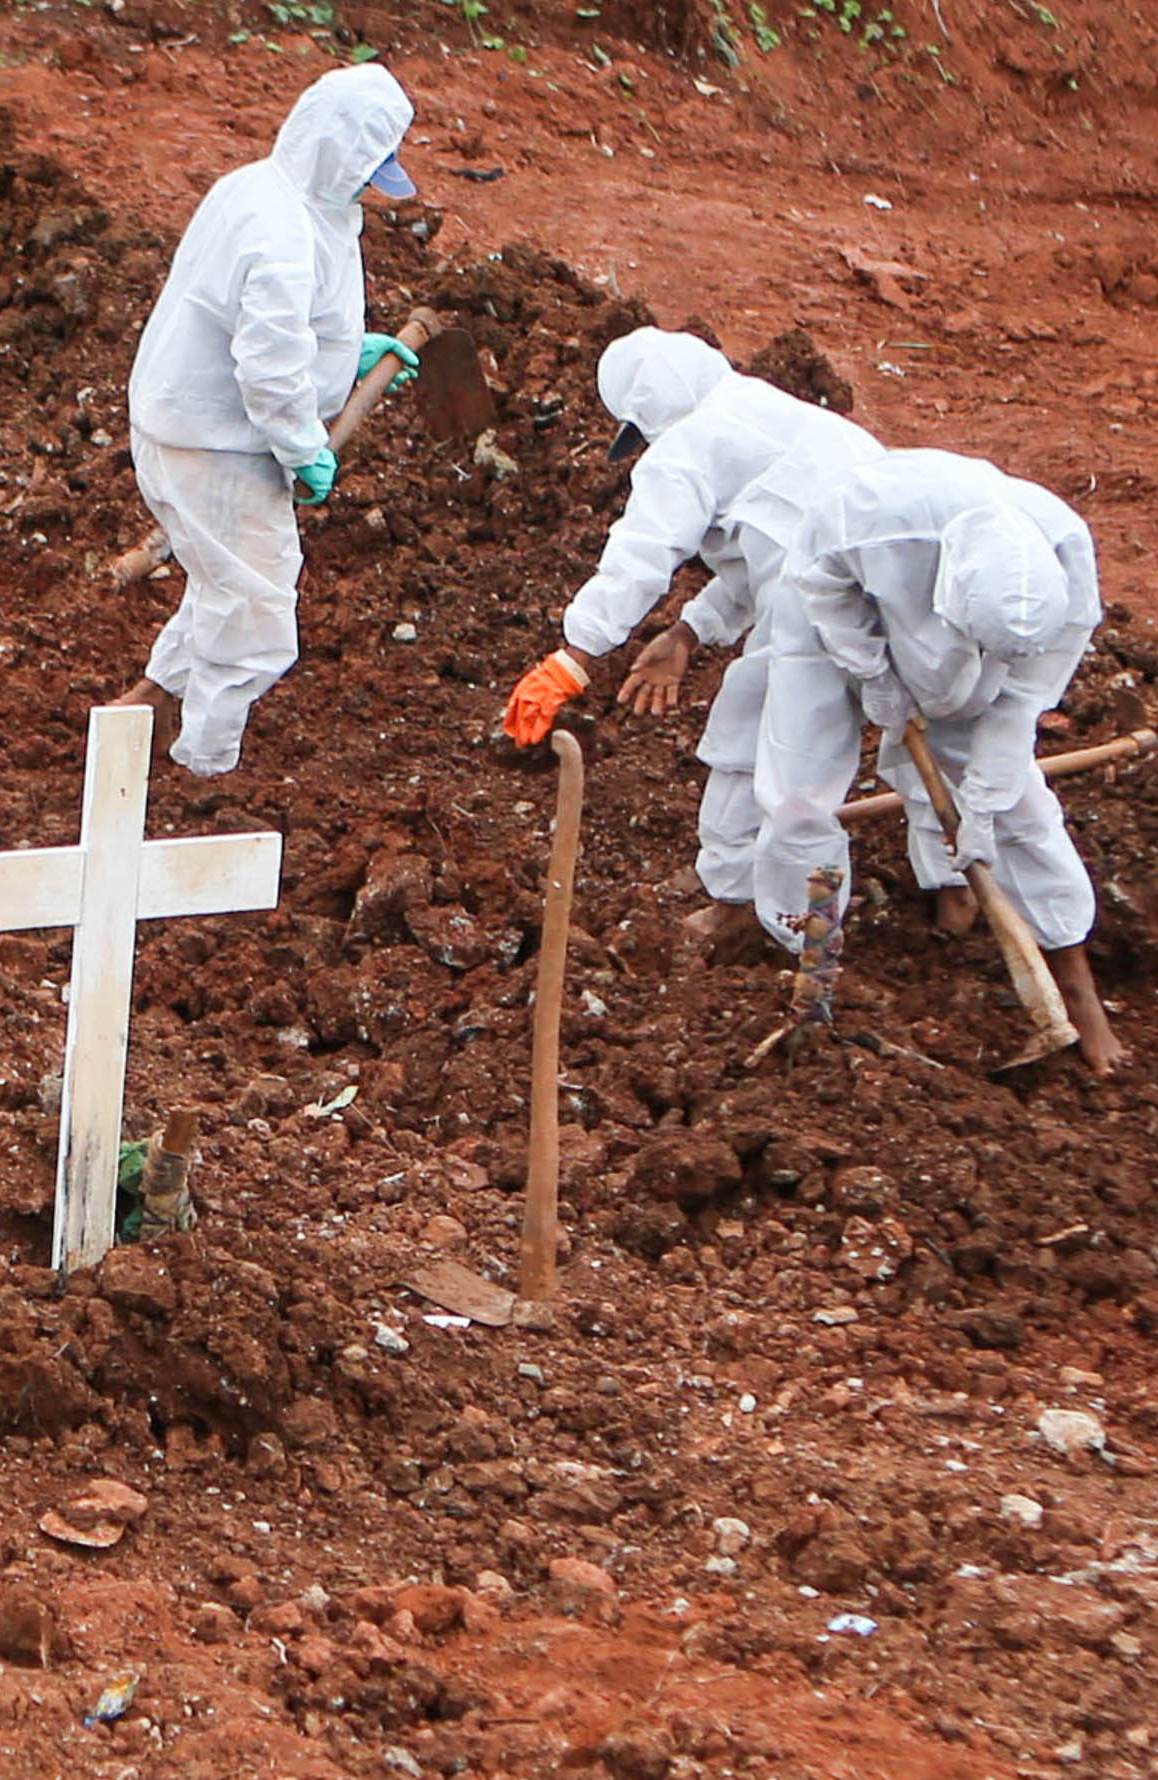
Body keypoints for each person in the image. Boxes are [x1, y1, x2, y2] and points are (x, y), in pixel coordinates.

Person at [497, 329, 880, 931]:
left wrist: (574, 656)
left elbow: (642, 556)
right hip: (908, 582)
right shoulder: (769, 414)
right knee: (942, 735)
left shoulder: (685, 447)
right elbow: (770, 543)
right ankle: (956, 884)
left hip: (820, 600)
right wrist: (687, 633)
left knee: (758, 748)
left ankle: (782, 931)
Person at [750, 447, 1117, 1071]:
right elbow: (820, 583)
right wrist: (872, 669)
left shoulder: (1064, 567)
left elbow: (1018, 706)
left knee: (1019, 808)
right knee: (800, 794)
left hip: (970, 642)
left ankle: (1075, 991)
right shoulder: (872, 514)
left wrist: (983, 806)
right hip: (829, 610)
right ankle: (812, 961)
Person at [113, 62, 420, 777]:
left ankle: (147, 709)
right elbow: (270, 370)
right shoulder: (279, 231)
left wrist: (343, 362)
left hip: (192, 423)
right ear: (336, 151)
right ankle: (204, 769)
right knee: (256, 615)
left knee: (226, 583)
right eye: (367, 166)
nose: (371, 183)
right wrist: (303, 446)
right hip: (218, 443)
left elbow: (272, 330)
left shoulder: (264, 188)